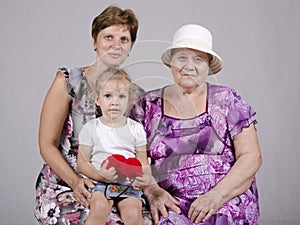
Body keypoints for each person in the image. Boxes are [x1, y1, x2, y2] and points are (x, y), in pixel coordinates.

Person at [131, 24, 262, 224]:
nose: (189, 66)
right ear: (171, 63)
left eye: (198, 59)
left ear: (208, 66)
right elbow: (130, 158)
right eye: (182, 57)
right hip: (169, 201)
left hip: (224, 198)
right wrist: (151, 189)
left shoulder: (227, 100)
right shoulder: (147, 104)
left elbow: (251, 157)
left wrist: (216, 196)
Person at [34, 5, 152, 224]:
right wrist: (76, 182)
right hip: (67, 183)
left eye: (124, 40)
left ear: (131, 46)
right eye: (108, 37)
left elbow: (137, 151)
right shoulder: (69, 81)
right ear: (94, 41)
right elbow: (46, 143)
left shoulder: (136, 96)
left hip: (118, 186)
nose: (116, 45)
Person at [77, 68, 151, 225]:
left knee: (133, 214)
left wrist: (144, 177)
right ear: (97, 99)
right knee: (100, 207)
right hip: (99, 183)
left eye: (121, 96)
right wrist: (100, 176)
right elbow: (82, 163)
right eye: (108, 96)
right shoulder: (91, 128)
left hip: (127, 184)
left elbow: (143, 161)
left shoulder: (136, 128)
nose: (115, 102)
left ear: (128, 100)